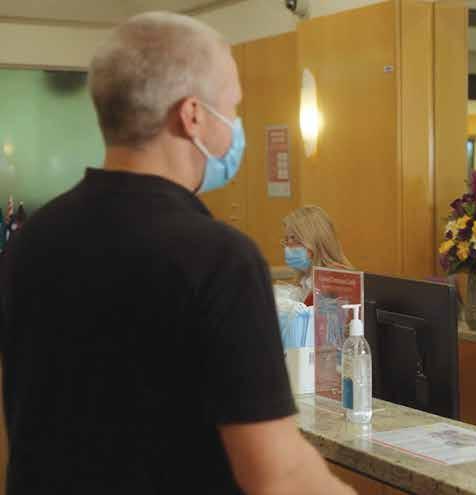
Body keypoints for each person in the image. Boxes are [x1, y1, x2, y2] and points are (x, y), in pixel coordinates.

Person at [0, 12, 353, 494]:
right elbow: (278, 475)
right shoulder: (220, 259)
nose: (237, 125)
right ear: (193, 116)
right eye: (233, 106)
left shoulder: (31, 241)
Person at [280, 205, 354, 305]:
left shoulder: (337, 280)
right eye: (286, 239)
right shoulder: (305, 278)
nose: (289, 246)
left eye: (294, 238)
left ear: (315, 240)